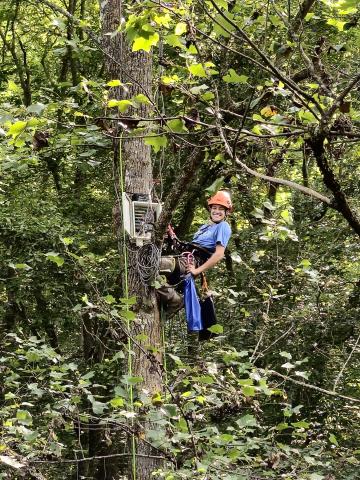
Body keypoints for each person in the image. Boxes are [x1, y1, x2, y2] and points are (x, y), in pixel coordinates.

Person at [157, 190, 232, 314]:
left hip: (191, 263)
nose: (217, 211)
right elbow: (190, 247)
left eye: (221, 209)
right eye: (214, 208)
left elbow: (219, 254)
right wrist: (171, 238)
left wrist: (197, 270)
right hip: (183, 259)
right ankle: (170, 296)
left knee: (151, 265)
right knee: (149, 269)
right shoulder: (205, 228)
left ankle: (175, 301)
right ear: (210, 209)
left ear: (226, 212)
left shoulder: (223, 227)